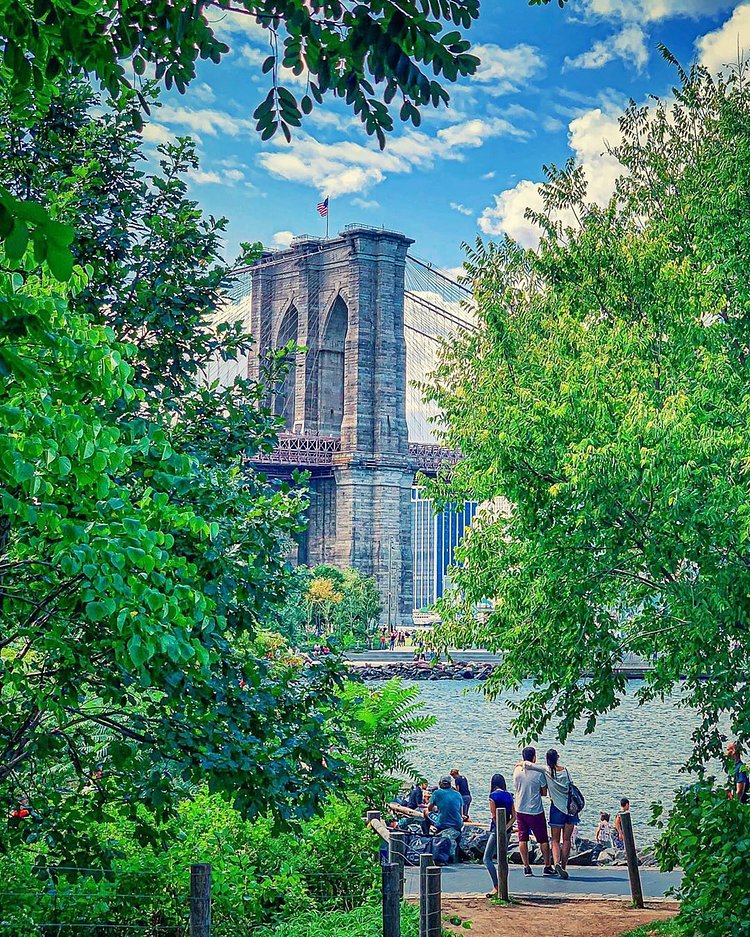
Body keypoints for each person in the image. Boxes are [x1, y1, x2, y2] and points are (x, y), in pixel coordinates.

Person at [513, 746, 554, 876]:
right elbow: (543, 792)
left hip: (520, 808)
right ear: (534, 757)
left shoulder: (517, 770)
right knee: (542, 839)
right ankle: (547, 865)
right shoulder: (539, 773)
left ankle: (526, 867)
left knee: (522, 838)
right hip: (535, 810)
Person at [483, 773, 515, 896]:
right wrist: (507, 827)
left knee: (487, 858)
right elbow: (514, 816)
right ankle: (503, 886)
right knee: (502, 857)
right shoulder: (509, 796)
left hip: (496, 830)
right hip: (508, 830)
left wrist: (499, 828)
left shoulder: (493, 796)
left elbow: (494, 815)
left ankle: (496, 885)